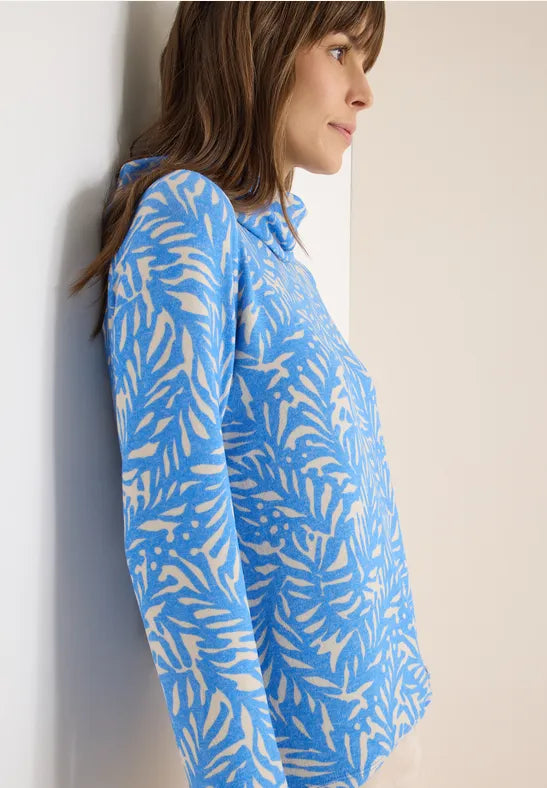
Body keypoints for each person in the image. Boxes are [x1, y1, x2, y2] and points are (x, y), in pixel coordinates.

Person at [69, 3, 432, 786]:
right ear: (257, 40)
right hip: (307, 765)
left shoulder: (273, 253)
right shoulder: (185, 217)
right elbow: (178, 533)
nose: (363, 92)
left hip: (385, 727)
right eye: (339, 50)